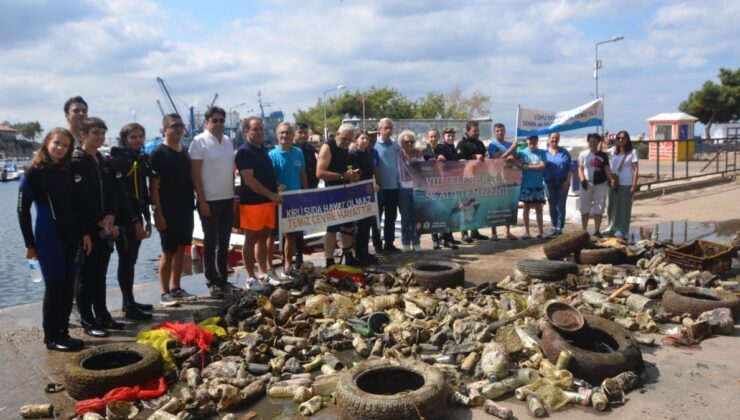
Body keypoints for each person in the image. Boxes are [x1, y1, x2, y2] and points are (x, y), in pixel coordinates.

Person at [18, 128, 88, 351]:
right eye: (56, 143)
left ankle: (63, 333)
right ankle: (51, 337)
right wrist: (30, 244)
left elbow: (75, 207)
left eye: (65, 145)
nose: (60, 148)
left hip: (70, 235)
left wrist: (83, 233)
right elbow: (22, 210)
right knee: (55, 287)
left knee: (68, 287)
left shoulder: (65, 170)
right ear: (47, 143)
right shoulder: (34, 173)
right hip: (48, 236)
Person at [71, 117, 122, 337]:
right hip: (86, 229)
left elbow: (112, 192)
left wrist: (111, 216)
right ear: (83, 135)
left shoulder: (103, 160)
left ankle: (102, 314)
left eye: (103, 133)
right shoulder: (76, 161)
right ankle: (87, 319)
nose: (100, 138)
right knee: (85, 275)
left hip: (104, 227)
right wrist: (85, 230)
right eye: (95, 133)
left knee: (100, 273)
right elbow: (74, 201)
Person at [189, 106, 238, 298]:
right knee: (210, 242)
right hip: (208, 199)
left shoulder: (228, 141)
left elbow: (229, 171)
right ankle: (211, 281)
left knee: (224, 241)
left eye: (221, 120)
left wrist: (233, 195)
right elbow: (195, 173)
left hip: (226, 198)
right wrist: (202, 201)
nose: (218, 124)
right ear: (206, 122)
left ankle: (223, 279)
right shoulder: (198, 142)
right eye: (214, 120)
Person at [109, 123, 154, 320]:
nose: (137, 140)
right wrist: (135, 221)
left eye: (140, 136)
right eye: (133, 137)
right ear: (124, 140)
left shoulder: (140, 159)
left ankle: (130, 300)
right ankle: (128, 305)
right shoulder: (120, 161)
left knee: (131, 260)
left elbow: (142, 192)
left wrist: (148, 217)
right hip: (124, 218)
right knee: (126, 260)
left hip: (137, 214)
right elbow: (123, 196)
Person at [150, 114, 195, 306]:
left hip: (185, 207)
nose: (178, 129)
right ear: (164, 130)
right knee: (167, 251)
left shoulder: (185, 152)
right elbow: (154, 186)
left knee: (181, 249)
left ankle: (176, 287)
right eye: (173, 126)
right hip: (167, 209)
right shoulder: (158, 153)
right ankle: (164, 292)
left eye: (180, 126)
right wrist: (157, 212)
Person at [235, 117, 283, 288]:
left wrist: (275, 187)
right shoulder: (244, 152)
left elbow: (264, 174)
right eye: (255, 129)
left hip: (267, 201)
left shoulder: (262, 149)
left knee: (264, 237)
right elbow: (249, 180)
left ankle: (262, 273)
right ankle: (250, 277)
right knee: (251, 238)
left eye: (261, 128)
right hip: (252, 203)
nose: (260, 132)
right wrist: (271, 194)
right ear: (246, 131)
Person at [317, 123, 361, 266]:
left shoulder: (345, 149)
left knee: (347, 226)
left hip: (346, 192)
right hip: (332, 193)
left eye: (350, 140)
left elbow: (347, 171)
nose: (347, 142)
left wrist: (354, 176)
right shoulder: (327, 147)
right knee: (332, 228)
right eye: (345, 138)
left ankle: (348, 255)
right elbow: (319, 173)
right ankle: (329, 260)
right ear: (337, 134)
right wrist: (343, 176)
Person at [269, 122, 307, 280]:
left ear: (293, 135)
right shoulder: (271, 155)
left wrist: (306, 194)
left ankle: (287, 266)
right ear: (277, 135)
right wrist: (275, 187)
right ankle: (270, 269)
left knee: (291, 236)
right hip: (277, 201)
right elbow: (267, 179)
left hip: (295, 201)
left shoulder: (298, 152)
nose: (284, 136)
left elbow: (302, 174)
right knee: (270, 237)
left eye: (288, 133)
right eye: (281, 133)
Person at [349, 130, 380, 265]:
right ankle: (359, 255)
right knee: (359, 226)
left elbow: (370, 174)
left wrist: (375, 186)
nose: (365, 141)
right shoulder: (352, 155)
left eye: (367, 139)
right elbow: (354, 175)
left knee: (366, 224)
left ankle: (365, 253)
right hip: (357, 194)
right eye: (362, 138)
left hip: (368, 194)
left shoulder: (367, 155)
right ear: (356, 140)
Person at [455, 120, 489, 242]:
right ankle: (464, 233)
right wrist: (474, 157)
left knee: (476, 205)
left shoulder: (480, 143)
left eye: (478, 130)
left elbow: (484, 160)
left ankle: (474, 231)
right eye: (474, 131)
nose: (477, 133)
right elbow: (459, 161)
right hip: (465, 181)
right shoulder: (461, 144)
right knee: (465, 206)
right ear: (468, 131)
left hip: (478, 180)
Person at [373, 118, 401, 253]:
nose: (388, 130)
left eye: (390, 127)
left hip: (393, 187)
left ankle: (389, 244)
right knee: (377, 219)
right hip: (378, 188)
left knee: (391, 218)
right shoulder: (373, 144)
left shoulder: (396, 145)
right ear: (380, 129)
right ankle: (377, 245)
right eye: (385, 128)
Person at [292, 122, 318, 268]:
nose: (303, 135)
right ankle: (295, 258)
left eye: (305, 132)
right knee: (293, 228)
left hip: (309, 190)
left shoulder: (310, 148)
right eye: (300, 132)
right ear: (295, 133)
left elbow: (315, 168)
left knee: (302, 225)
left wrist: (313, 186)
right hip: (294, 192)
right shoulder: (291, 148)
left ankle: (299, 257)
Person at [605, 130, 640, 238]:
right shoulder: (614, 150)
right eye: (619, 138)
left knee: (624, 207)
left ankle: (622, 229)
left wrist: (634, 185)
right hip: (614, 182)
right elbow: (601, 153)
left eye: (623, 138)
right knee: (611, 205)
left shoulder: (632, 152)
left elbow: (636, 170)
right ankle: (611, 226)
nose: (621, 139)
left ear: (627, 139)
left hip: (626, 182)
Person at [578, 133, 613, 237]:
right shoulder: (583, 154)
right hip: (586, 184)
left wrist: (611, 180)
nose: (592, 143)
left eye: (595, 141)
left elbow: (607, 169)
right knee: (585, 207)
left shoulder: (603, 155)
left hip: (600, 185)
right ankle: (584, 230)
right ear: (588, 142)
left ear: (598, 142)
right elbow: (580, 168)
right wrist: (582, 179)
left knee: (599, 207)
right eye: (591, 141)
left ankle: (597, 230)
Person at [488, 123, 517, 241]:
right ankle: (494, 233)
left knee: (508, 205)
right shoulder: (492, 145)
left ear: (505, 131)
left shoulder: (511, 144)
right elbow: (497, 159)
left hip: (509, 178)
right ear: (495, 132)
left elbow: (516, 161)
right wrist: (511, 150)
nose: (500, 132)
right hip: (496, 179)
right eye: (497, 131)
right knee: (494, 205)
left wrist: (513, 158)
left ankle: (507, 232)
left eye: (502, 130)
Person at [432, 127, 460, 249]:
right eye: (448, 135)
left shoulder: (454, 149)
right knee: (441, 211)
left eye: (452, 135)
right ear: (444, 137)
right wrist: (440, 158)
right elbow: (437, 159)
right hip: (441, 185)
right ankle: (439, 239)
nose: (450, 137)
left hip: (452, 184)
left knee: (451, 211)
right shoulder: (440, 148)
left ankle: (448, 237)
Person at [517, 135, 547, 239]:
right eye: (530, 139)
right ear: (526, 140)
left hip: (538, 185)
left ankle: (541, 231)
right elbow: (516, 164)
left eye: (534, 139)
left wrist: (528, 166)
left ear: (537, 140)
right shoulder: (521, 153)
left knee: (539, 209)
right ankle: (526, 231)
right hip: (526, 185)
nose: (532, 141)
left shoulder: (542, 152)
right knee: (526, 209)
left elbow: (542, 166)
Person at [397, 130, 423, 252]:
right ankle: (405, 242)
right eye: (406, 142)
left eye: (411, 141)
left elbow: (425, 168)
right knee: (405, 217)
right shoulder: (397, 154)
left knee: (416, 217)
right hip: (403, 189)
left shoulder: (418, 154)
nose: (409, 144)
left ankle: (416, 242)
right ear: (401, 142)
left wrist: (417, 163)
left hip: (416, 189)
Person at [543, 132, 572, 238]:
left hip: (562, 182)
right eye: (552, 138)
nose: (554, 140)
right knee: (552, 205)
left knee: (560, 205)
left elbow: (570, 168)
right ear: (548, 139)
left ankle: (559, 228)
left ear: (559, 139)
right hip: (549, 182)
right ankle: (554, 226)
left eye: (556, 138)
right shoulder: (544, 153)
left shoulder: (565, 152)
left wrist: (568, 182)